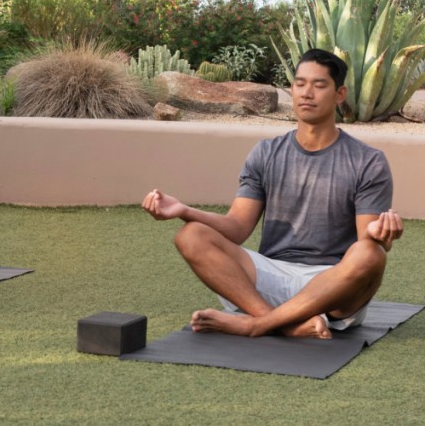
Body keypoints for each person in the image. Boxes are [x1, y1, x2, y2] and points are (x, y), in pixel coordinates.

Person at [142, 48, 404, 339]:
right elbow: (237, 227)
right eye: (300, 84)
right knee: (190, 235)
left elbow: (367, 241)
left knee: (371, 254)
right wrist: (183, 211)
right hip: (269, 277)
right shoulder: (266, 153)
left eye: (319, 85)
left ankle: (256, 324)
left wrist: (383, 239)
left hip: (331, 287)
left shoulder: (368, 161)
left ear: (339, 95)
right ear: (291, 89)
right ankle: (286, 325)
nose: (307, 93)